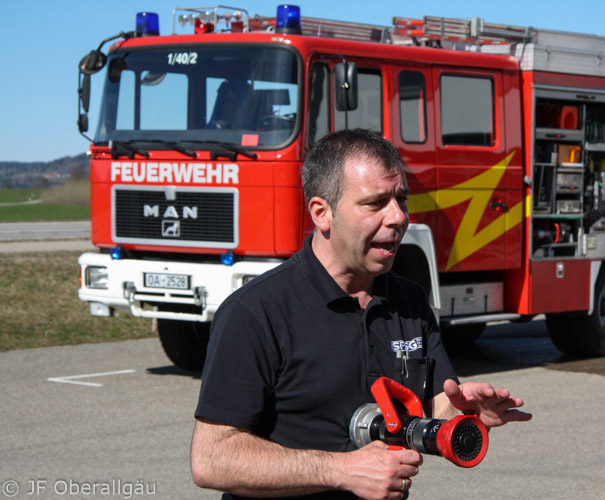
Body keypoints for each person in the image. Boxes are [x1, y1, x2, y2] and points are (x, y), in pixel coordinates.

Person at [191, 128, 531, 500]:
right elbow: (212, 458)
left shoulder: (409, 300)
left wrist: (465, 413)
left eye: (401, 199)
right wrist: (342, 469)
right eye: (376, 203)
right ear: (322, 213)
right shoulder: (255, 312)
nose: (398, 217)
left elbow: (432, 406)